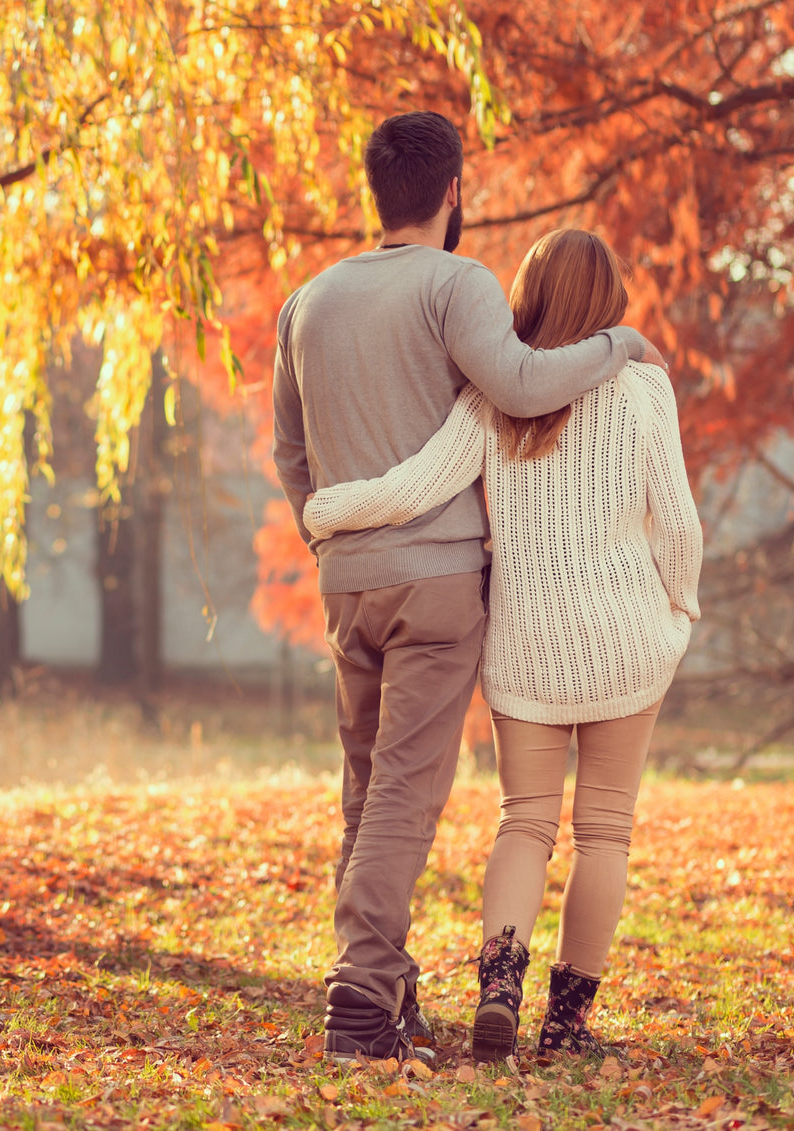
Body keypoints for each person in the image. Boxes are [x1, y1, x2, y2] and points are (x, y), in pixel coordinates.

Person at [272, 111, 664, 1064]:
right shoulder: (456, 283)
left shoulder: (305, 303)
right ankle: (360, 999)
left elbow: (291, 453)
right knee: (405, 792)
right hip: (437, 583)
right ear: (452, 192)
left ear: (376, 191)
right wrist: (619, 344)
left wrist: (328, 539)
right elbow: (521, 386)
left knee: (366, 789)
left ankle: (387, 984)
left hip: (347, 581)